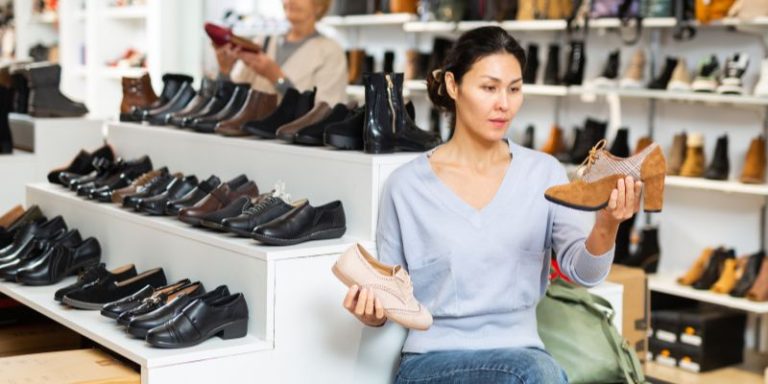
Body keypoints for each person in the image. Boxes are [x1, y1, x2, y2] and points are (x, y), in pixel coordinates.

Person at [342, 27, 643, 383]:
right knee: (538, 374)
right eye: (489, 88)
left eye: (514, 89)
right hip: (432, 362)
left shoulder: (544, 172)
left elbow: (583, 274)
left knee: (533, 372)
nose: (504, 103)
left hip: (523, 355)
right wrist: (372, 313)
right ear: (453, 86)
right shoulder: (406, 186)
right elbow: (391, 300)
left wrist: (608, 224)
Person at [214, 0, 347, 105]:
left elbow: (325, 112)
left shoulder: (331, 52)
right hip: (248, 136)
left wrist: (277, 78)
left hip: (288, 138)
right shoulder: (262, 42)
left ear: (319, 4)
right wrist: (225, 70)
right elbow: (232, 100)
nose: (290, 1)